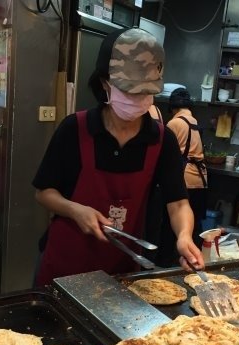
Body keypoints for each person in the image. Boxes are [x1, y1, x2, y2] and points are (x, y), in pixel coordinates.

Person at [33, 28, 204, 286]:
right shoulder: (75, 129)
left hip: (121, 272)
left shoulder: (161, 140)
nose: (137, 99)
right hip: (63, 269)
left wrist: (184, 236)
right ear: (105, 84)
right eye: (129, 90)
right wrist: (76, 210)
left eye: (145, 92)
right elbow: (44, 192)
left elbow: (178, 203)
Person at [156, 88, 207, 267]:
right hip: (200, 180)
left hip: (183, 180)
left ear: (172, 108)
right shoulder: (194, 121)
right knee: (192, 229)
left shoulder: (175, 123)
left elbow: (162, 152)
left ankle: (166, 264)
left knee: (171, 228)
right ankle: (192, 260)